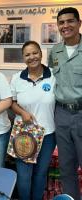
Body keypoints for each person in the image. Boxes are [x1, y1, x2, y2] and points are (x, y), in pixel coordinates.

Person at [11, 41, 56, 200]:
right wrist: (22, 112)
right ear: (23, 58)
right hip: (24, 133)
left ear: (41, 54)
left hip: (48, 134)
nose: (32, 57)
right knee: (23, 175)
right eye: (27, 54)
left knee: (40, 173)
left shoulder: (53, 75)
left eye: (35, 53)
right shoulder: (17, 78)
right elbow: (12, 103)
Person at [48, 7, 82, 200]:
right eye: (61, 22)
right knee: (66, 167)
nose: (65, 26)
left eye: (70, 21)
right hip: (61, 115)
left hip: (81, 113)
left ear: (79, 23)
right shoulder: (55, 51)